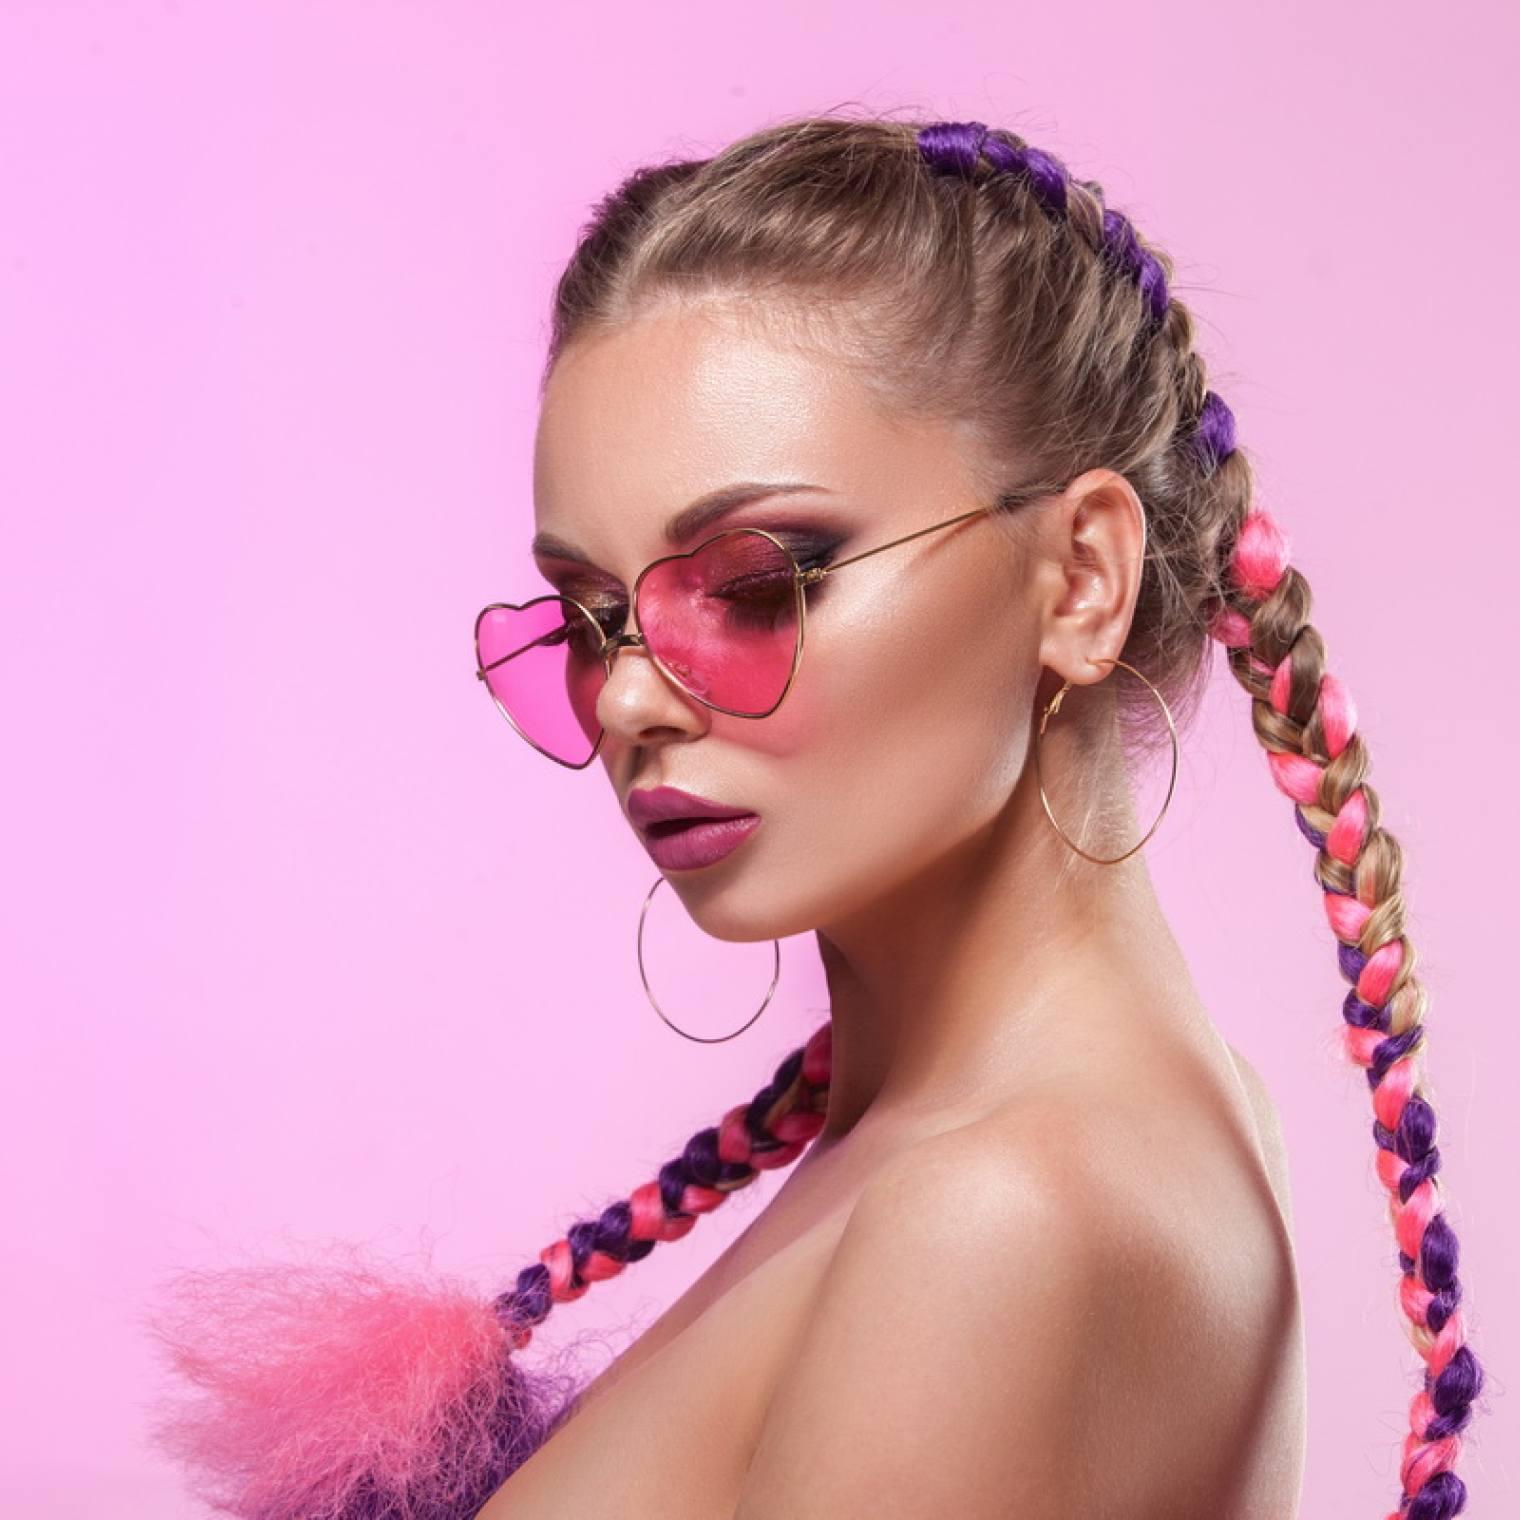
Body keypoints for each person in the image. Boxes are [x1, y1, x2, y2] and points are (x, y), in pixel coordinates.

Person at [144, 113, 1484, 1520]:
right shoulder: (1032, 1136)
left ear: (1082, 576)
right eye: (591, 615)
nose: (626, 698)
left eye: (754, 583)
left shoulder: (1002, 1214)